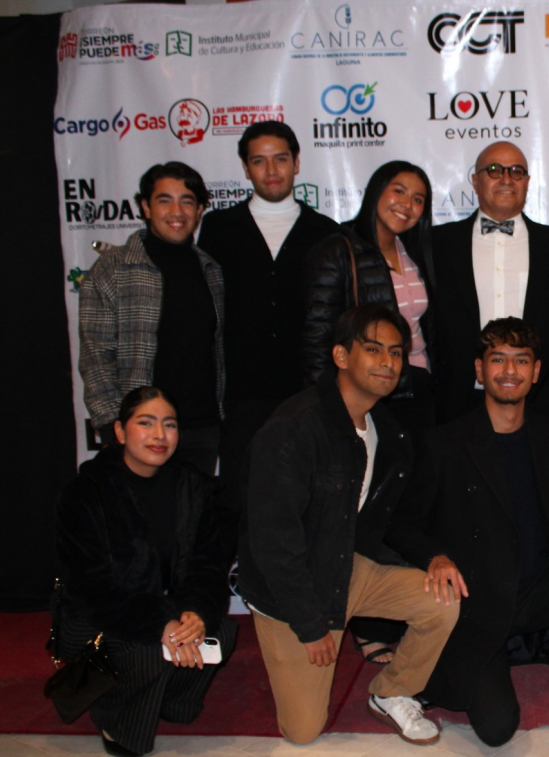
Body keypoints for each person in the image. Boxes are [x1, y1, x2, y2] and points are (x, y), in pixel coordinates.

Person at [385, 318, 549, 747]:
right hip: (476, 603)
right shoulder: (444, 443)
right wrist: (435, 557)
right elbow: (401, 524)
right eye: (497, 359)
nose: (509, 370)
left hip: (539, 589)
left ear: (535, 372)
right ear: (479, 370)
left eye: (521, 360)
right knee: (498, 729)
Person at [236, 305, 459, 746]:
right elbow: (273, 542)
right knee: (303, 732)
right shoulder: (294, 429)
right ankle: (283, 646)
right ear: (341, 356)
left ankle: (391, 691)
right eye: (373, 349)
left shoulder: (386, 429)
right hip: (291, 590)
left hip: (346, 565)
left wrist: (434, 557)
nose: (388, 363)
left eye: (396, 352)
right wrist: (310, 625)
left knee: (442, 600)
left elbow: (392, 521)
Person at [55, 387, 236, 757]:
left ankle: (168, 699)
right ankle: (115, 718)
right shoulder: (86, 491)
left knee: (219, 632)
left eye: (169, 425)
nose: (159, 435)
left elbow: (207, 565)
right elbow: (91, 586)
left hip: (161, 606)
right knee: (149, 649)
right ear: (120, 432)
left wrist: (195, 612)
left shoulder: (190, 485)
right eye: (146, 423)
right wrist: (162, 624)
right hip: (94, 615)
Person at [196, 121, 338, 556]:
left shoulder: (325, 231)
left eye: (280, 159)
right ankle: (242, 583)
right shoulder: (219, 228)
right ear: (245, 168)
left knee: (307, 495)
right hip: (241, 392)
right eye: (259, 161)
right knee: (241, 498)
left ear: (297, 163)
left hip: (308, 391)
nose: (271, 170)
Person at [79, 162, 224, 474]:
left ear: (199, 210)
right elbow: (95, 355)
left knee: (197, 507)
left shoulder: (211, 270)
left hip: (202, 428)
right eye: (164, 200)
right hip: (141, 431)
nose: (177, 212)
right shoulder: (113, 269)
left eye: (187, 201)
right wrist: (111, 424)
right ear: (145, 207)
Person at [431, 141, 549, 420]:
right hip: (455, 402)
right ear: (475, 181)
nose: (506, 179)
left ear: (527, 182)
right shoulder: (437, 245)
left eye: (516, 171)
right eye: (494, 170)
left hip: (536, 402)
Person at [303, 160, 435, 437]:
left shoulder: (415, 251)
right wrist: (325, 401)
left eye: (418, 199)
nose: (407, 204)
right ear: (377, 191)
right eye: (399, 191)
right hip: (369, 387)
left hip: (418, 384)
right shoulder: (338, 249)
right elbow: (318, 334)